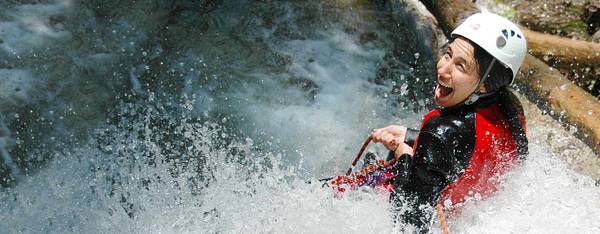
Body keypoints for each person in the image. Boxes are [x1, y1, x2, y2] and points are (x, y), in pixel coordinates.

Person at [371, 12, 529, 232]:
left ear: (484, 85)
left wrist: (403, 152)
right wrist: (410, 135)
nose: (442, 69)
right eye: (447, 54)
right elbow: (471, 151)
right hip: (465, 216)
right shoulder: (510, 108)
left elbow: (408, 220)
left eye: (460, 66)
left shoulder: (441, 132)